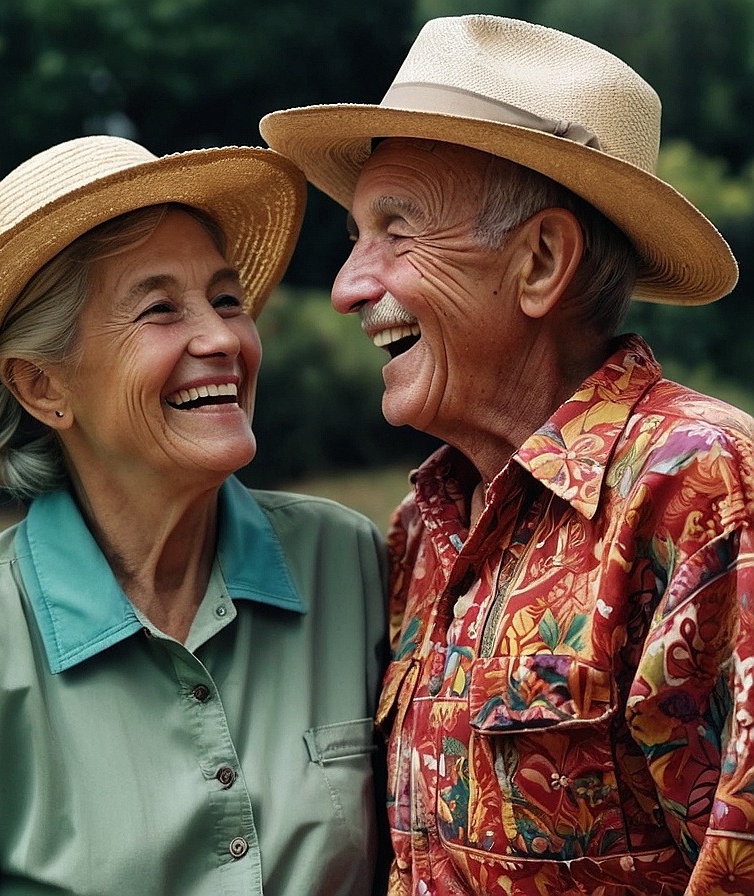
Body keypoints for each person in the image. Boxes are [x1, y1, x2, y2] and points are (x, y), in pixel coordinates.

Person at [260, 14, 754, 896]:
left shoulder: (701, 486)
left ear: (540, 262)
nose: (346, 288)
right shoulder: (426, 523)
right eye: (353, 238)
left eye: (397, 231)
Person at [0, 135, 390, 895]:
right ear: (43, 387)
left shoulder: (353, 564)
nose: (221, 339)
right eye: (159, 309)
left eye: (227, 299)